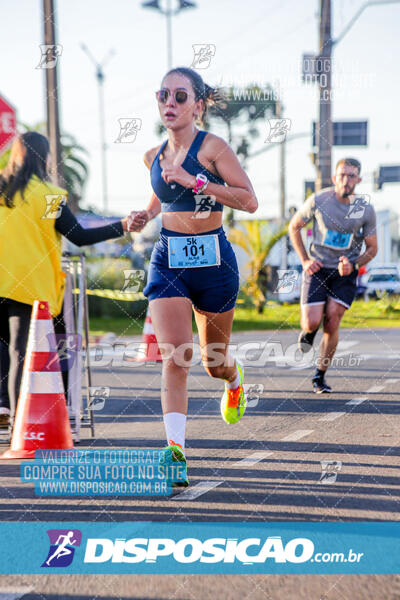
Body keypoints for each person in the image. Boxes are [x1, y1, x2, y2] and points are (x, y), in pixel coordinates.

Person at [127, 67, 257, 485]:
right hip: (169, 261)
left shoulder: (213, 148)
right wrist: (146, 214)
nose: (170, 102)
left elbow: (249, 200)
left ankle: (234, 380)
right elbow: (162, 192)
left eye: (180, 96)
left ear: (198, 106)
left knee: (212, 362)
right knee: (176, 356)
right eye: (163, 94)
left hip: (214, 263)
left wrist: (196, 180)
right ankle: (176, 452)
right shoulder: (153, 156)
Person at [0, 132, 129, 429]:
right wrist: (121, 225)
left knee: (1, 349)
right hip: (26, 285)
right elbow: (80, 236)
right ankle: (20, 424)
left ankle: (3, 405)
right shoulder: (49, 195)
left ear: (15, 156)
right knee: (19, 350)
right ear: (43, 159)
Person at [288, 158, 377, 393]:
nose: (346, 180)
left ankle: (320, 376)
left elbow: (372, 248)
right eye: (342, 175)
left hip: (344, 271)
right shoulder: (319, 200)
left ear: (359, 179)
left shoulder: (365, 209)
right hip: (317, 268)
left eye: (352, 175)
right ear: (334, 178)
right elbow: (294, 226)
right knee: (312, 321)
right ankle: (308, 332)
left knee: (333, 318)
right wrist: (305, 260)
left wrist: (354, 264)